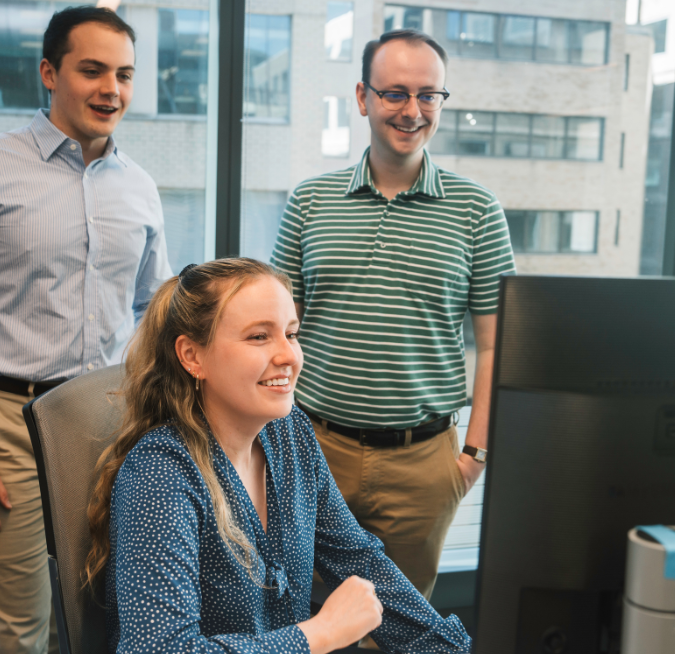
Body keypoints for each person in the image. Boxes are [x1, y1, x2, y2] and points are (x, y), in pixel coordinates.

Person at [0, 7, 170, 653]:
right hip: (4, 426)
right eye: (92, 70)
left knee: (95, 616)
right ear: (50, 73)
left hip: (105, 424)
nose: (112, 89)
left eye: (125, 74)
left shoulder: (139, 186)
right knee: (15, 632)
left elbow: (154, 312)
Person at [85, 258, 471, 653]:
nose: (289, 356)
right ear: (192, 357)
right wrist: (319, 634)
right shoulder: (160, 475)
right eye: (259, 337)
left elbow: (360, 561)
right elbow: (160, 650)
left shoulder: (289, 434)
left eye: (292, 334)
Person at [270, 29, 516, 601]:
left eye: (429, 95)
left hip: (423, 464)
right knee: (298, 616)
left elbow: (500, 345)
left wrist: (473, 457)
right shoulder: (310, 201)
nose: (412, 110)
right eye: (395, 94)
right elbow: (276, 337)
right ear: (363, 97)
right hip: (312, 450)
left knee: (400, 626)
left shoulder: (478, 210)